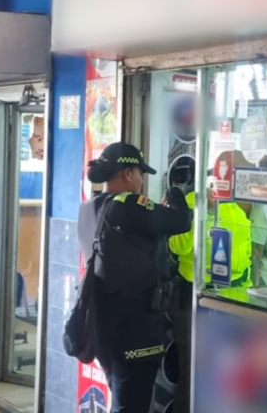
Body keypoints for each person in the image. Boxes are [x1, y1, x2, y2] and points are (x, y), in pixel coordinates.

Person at [84, 142, 192, 413]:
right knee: (131, 406)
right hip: (135, 329)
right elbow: (181, 221)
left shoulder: (89, 208)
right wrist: (175, 191)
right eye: (141, 174)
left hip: (102, 326)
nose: (142, 181)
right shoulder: (130, 205)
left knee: (122, 401)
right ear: (127, 172)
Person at [165, 152, 254, 413]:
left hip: (234, 300)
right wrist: (202, 213)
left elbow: (245, 259)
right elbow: (178, 246)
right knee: (194, 367)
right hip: (196, 298)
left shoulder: (236, 209)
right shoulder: (193, 202)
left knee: (226, 372)